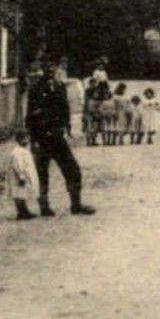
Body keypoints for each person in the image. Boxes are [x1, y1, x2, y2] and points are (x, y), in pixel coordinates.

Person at [26, 59, 95, 216]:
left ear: (56, 68)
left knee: (73, 170)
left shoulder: (60, 87)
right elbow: (30, 117)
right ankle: (44, 207)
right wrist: (33, 140)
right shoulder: (35, 89)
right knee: (41, 173)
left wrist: (67, 128)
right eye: (46, 67)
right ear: (42, 69)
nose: (50, 70)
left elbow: (65, 109)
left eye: (52, 66)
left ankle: (76, 205)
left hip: (57, 137)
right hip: (42, 137)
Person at [6, 130, 39, 220]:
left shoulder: (23, 150)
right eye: (25, 139)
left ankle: (24, 211)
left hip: (22, 175)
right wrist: (21, 176)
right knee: (18, 194)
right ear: (19, 140)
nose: (27, 141)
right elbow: (18, 165)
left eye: (28, 139)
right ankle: (21, 212)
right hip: (18, 177)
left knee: (22, 194)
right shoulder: (17, 152)